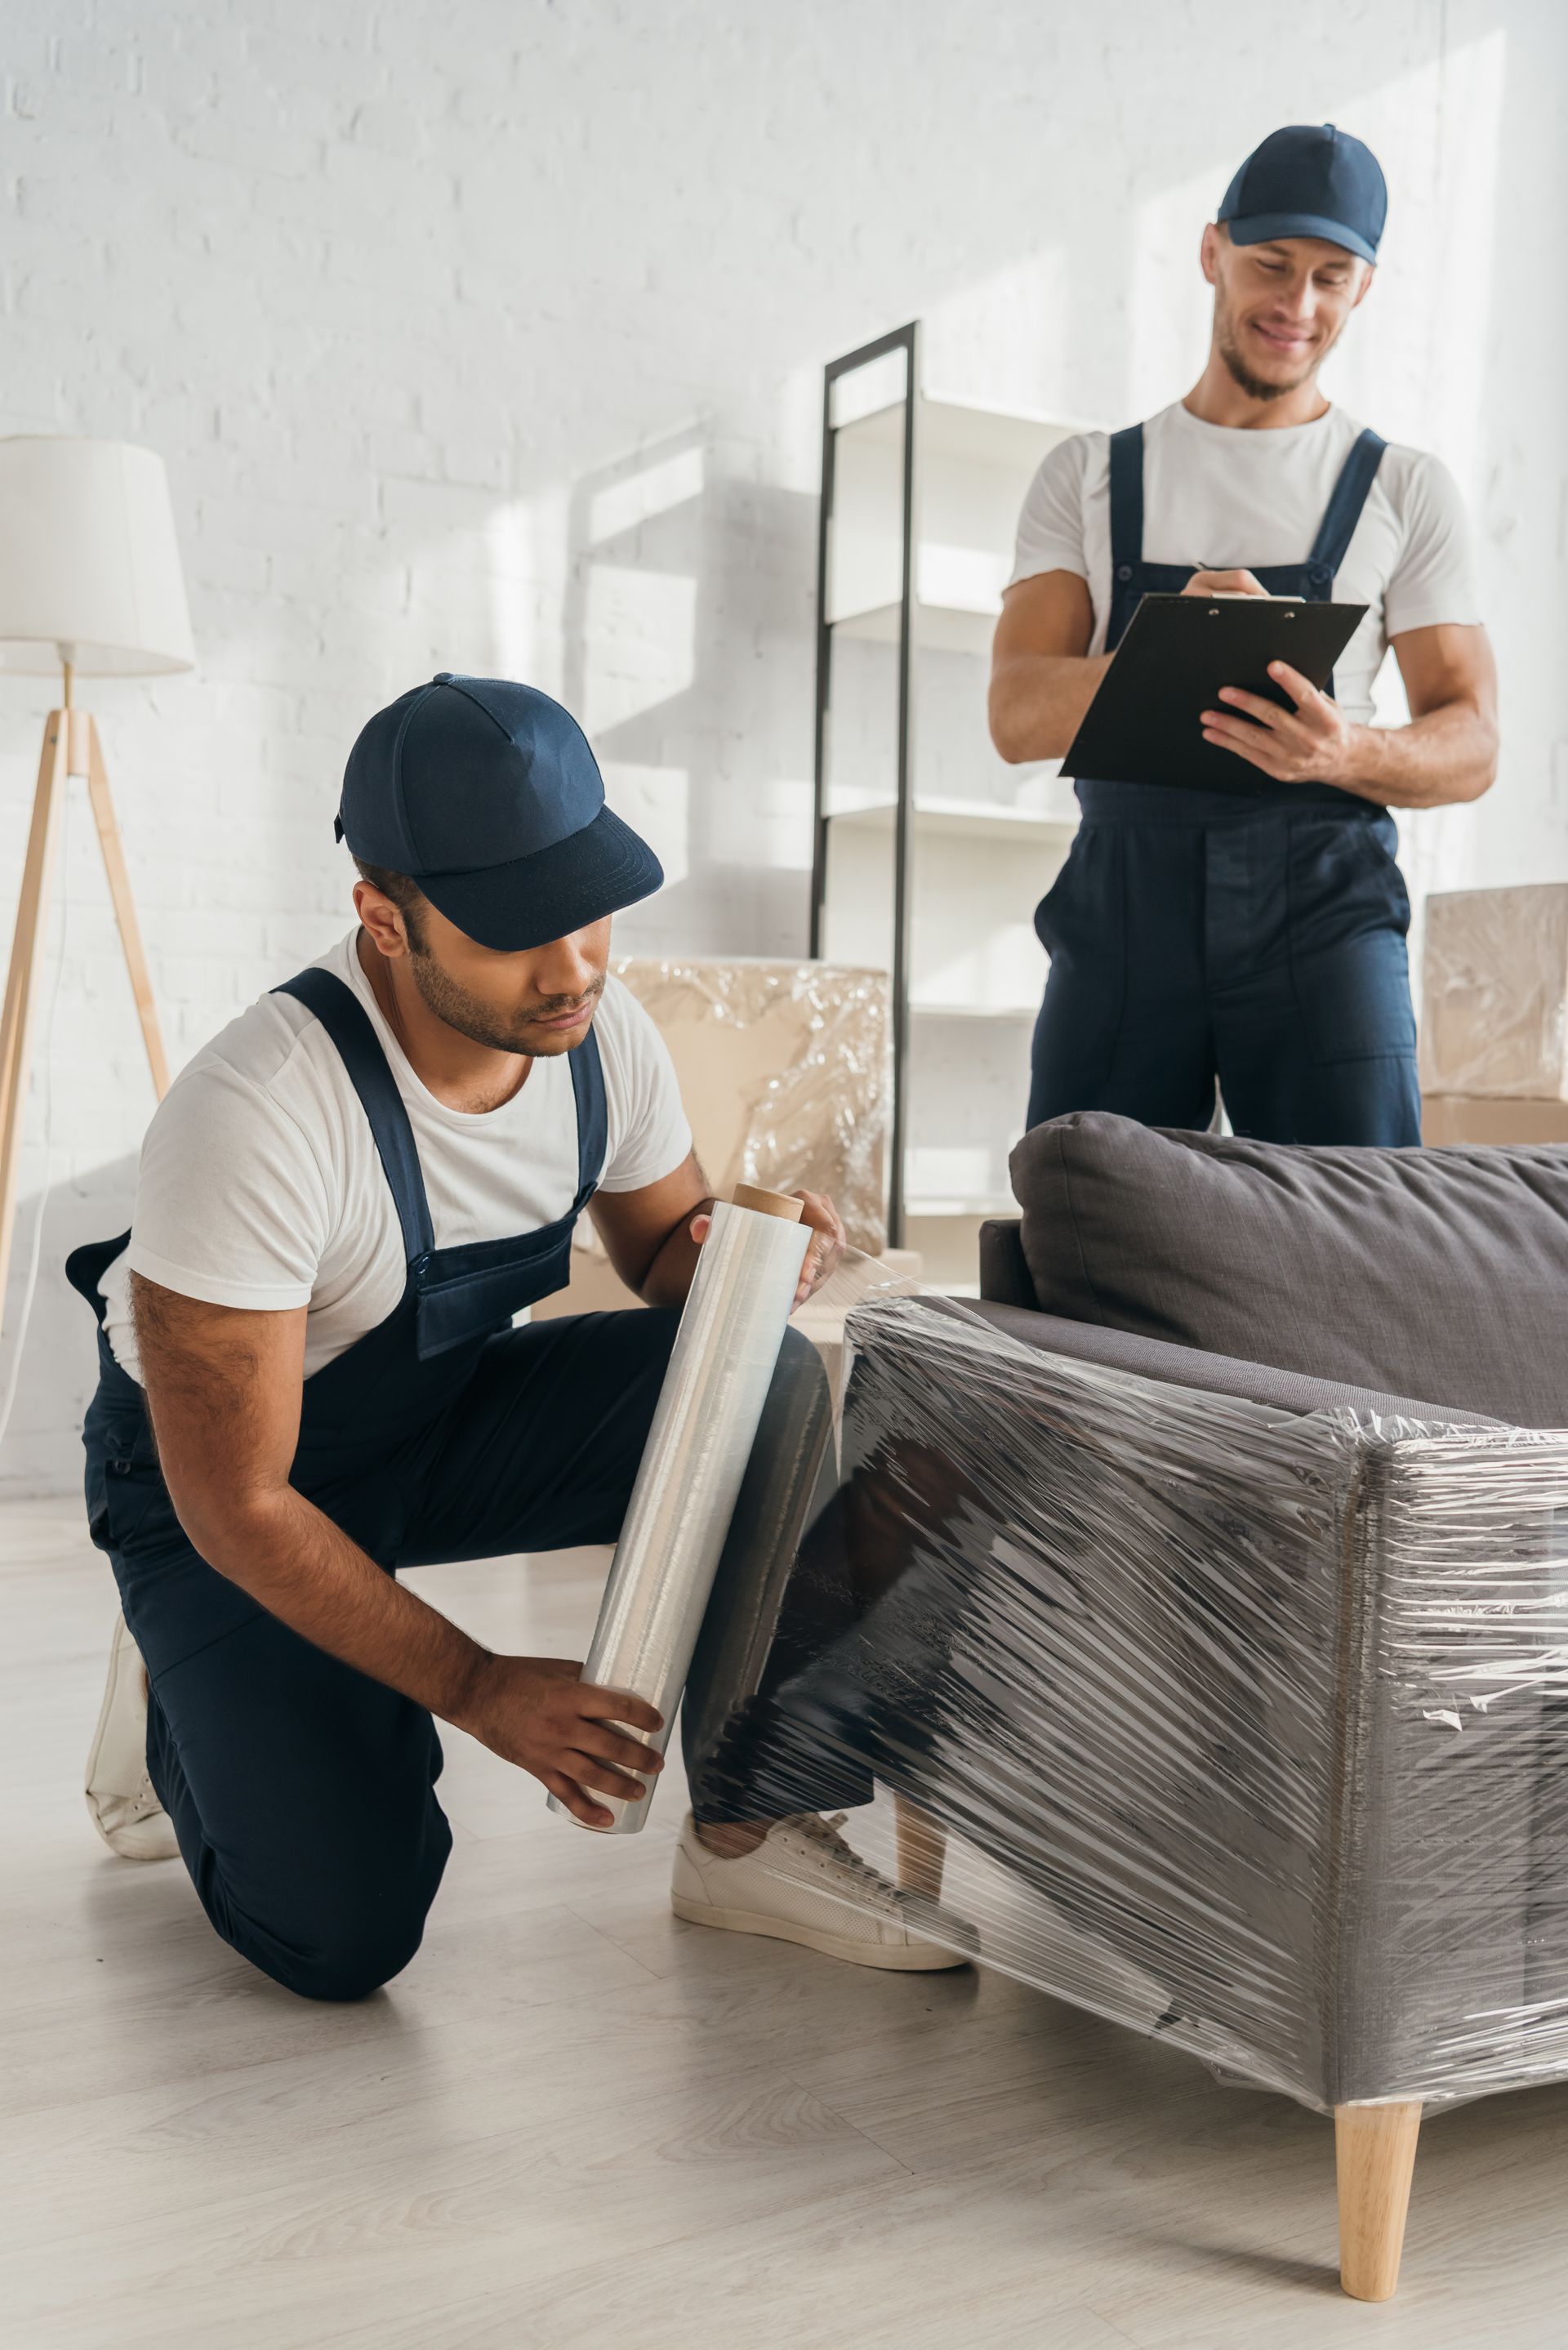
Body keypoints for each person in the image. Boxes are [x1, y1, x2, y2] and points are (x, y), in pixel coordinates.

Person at [74, 671, 960, 1998]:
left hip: (429, 1420)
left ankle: (754, 1826)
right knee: (342, 1935)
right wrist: (483, 1683)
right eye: (514, 929)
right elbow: (243, 1499)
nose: (576, 966)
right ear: (384, 918)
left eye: (588, 907)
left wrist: (732, 1257)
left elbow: (663, 1252)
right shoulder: (255, 1111)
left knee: (756, 1375)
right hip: (224, 1486)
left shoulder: (601, 1039)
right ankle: (176, 1692)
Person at [991, 123, 1499, 1144]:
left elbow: (1474, 738)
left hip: (1325, 900)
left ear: (1364, 288)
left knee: (1358, 1232)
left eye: (1331, 278)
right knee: (1088, 1221)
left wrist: (1344, 748)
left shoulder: (1403, 488)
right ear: (1212, 251)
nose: (1296, 306)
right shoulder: (1088, 475)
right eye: (1271, 266)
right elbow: (1017, 714)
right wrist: (1176, 648)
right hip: (1127, 901)